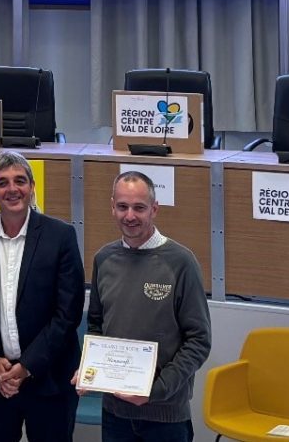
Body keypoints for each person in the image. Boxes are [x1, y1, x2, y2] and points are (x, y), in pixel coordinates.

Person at [0, 150, 85, 442]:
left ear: (32, 186)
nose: (12, 189)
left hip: (50, 379)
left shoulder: (61, 235)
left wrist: (26, 366)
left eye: (20, 181)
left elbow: (68, 313)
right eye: (2, 182)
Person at [77, 171, 211, 442]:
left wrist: (157, 390)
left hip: (166, 417)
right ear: (112, 207)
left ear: (154, 209)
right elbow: (96, 326)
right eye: (122, 206)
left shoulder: (181, 262)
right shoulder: (104, 259)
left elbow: (199, 341)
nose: (130, 216)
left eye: (139, 207)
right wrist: (91, 369)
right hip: (115, 414)